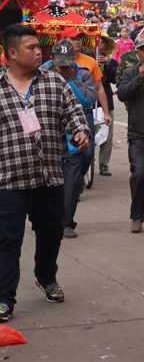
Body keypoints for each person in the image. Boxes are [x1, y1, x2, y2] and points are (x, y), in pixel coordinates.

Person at [0, 25, 90, 322]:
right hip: (8, 181)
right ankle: (4, 298)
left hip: (49, 177)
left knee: (51, 234)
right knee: (7, 241)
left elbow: (75, 114)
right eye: (31, 47)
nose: (39, 51)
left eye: (39, 46)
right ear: (12, 53)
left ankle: (46, 277)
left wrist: (80, 132)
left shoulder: (54, 82)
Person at [42, 40, 98, 239]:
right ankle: (50, 219)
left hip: (74, 134)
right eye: (61, 63)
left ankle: (67, 222)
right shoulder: (41, 74)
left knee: (72, 183)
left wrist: (72, 80)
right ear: (52, 60)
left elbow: (88, 101)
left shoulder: (82, 73)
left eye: (68, 62)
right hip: (49, 138)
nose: (65, 66)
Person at [118, 39, 144, 234]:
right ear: (137, 53)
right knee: (138, 174)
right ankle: (136, 216)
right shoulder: (130, 72)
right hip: (138, 133)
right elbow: (122, 94)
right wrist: (140, 78)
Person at [97, 35, 118, 177]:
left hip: (107, 104)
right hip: (90, 103)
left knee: (107, 137)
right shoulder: (85, 59)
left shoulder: (112, 61)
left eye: (102, 43)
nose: (99, 45)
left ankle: (104, 165)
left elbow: (115, 79)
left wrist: (108, 65)